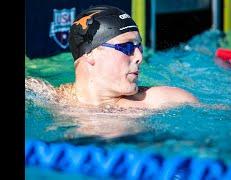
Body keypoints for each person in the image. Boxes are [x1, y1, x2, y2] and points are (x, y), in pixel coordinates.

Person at [27, 5, 198, 110]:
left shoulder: (164, 101)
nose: (139, 57)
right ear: (90, 53)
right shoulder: (48, 99)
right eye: (127, 46)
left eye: (139, 47)